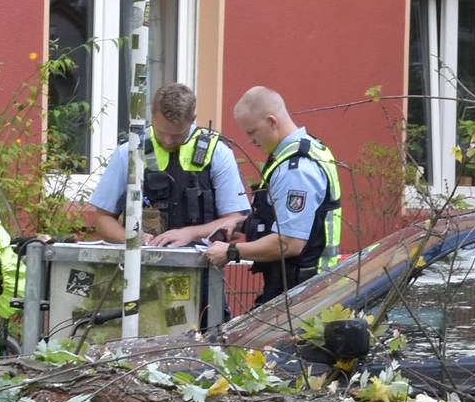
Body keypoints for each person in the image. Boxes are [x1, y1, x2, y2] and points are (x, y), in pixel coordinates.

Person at [203, 86, 344, 305]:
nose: (250, 140)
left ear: (271, 121)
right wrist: (244, 225)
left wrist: (231, 251)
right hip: (305, 290)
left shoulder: (296, 169)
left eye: (252, 132)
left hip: (299, 296)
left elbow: (289, 242)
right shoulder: (303, 150)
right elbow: (283, 218)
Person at [84, 83, 248, 248]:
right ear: (152, 115)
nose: (168, 141)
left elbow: (235, 220)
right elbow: (102, 219)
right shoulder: (131, 150)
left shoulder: (217, 152)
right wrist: (135, 239)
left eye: (177, 135)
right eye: (162, 132)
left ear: (193, 118)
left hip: (201, 266)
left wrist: (191, 233)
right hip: (140, 266)